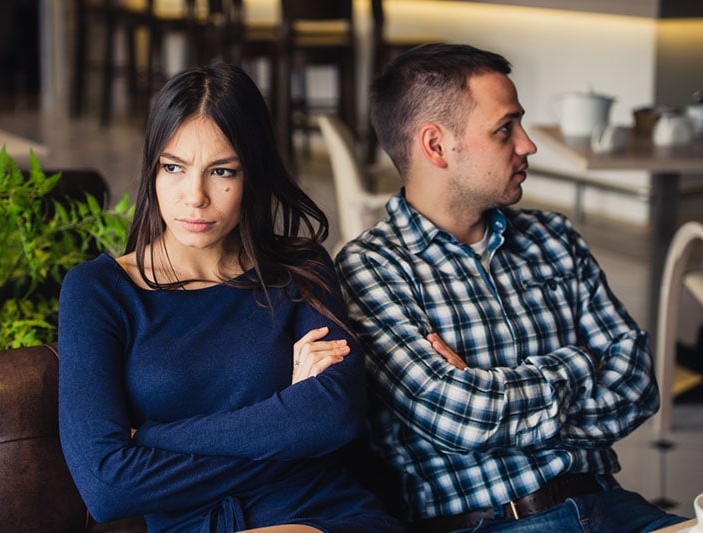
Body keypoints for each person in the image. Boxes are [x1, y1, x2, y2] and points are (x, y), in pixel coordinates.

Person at [335, 43, 690, 532]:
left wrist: (494, 387)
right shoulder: (371, 268)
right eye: (505, 129)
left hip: (611, 505)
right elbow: (464, 418)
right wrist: (583, 360)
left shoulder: (554, 237)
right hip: (493, 522)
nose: (527, 144)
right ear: (436, 146)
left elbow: (639, 382)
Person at [58, 63, 403, 533]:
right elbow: (107, 486)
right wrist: (290, 422)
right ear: (152, 170)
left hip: (328, 514)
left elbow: (335, 418)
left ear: (252, 174)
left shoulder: (300, 267)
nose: (194, 196)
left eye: (222, 171)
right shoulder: (98, 291)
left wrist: (157, 439)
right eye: (174, 167)